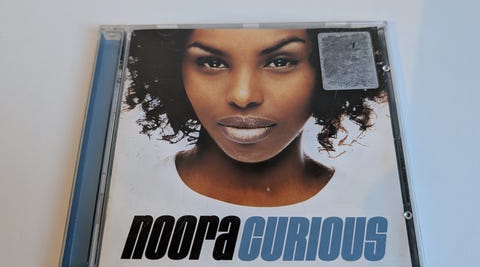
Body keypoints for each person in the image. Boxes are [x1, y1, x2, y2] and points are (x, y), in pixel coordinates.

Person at [125, 27, 386, 207]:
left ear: (328, 69)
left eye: (280, 62)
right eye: (213, 63)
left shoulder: (365, 207)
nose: (243, 96)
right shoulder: (132, 199)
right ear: (172, 71)